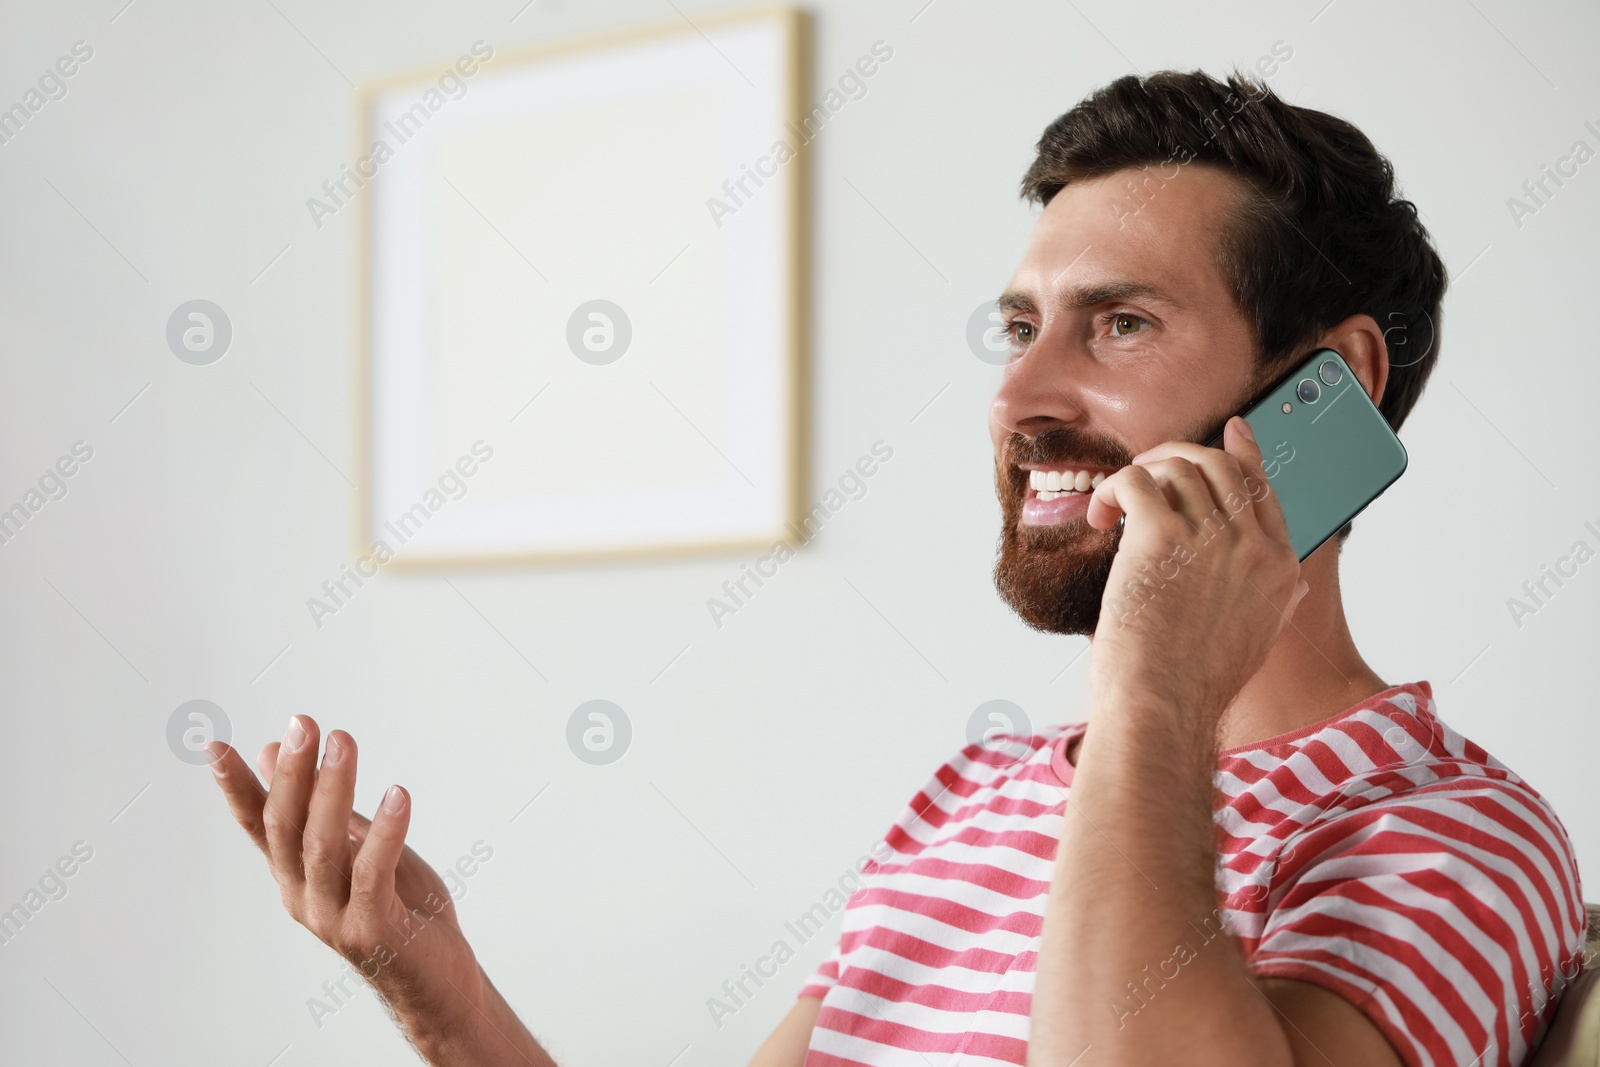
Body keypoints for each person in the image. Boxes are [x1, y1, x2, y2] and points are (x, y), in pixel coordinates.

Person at [206, 69, 1587, 1066]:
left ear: (1324, 395)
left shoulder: (1451, 839)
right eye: (1017, 327)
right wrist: (433, 995)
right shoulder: (975, 796)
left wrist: (1156, 694)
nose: (1019, 398)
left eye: (1118, 324)